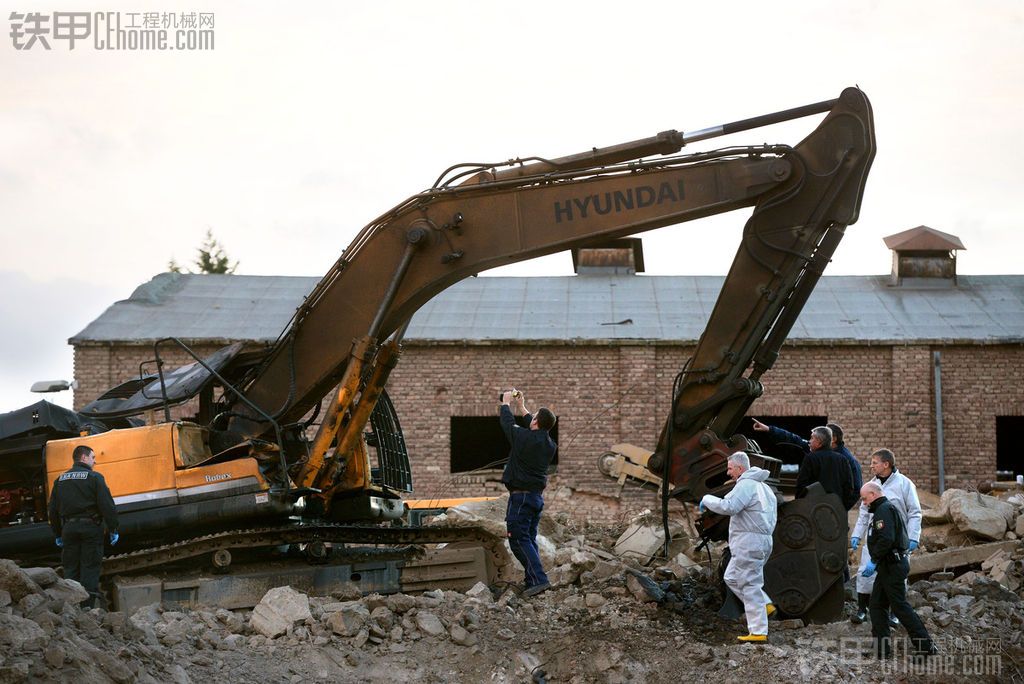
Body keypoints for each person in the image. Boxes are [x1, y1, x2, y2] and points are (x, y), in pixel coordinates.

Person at [700, 451, 778, 642]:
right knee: (732, 576)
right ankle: (765, 604)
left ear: (740, 468)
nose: (728, 473)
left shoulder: (746, 484)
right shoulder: (764, 488)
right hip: (762, 541)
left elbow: (729, 506)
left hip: (749, 543)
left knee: (750, 584)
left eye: (730, 468)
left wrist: (707, 499)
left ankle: (758, 632)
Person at [859, 481, 936, 659]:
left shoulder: (883, 510)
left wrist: (874, 561)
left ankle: (926, 647)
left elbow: (886, 539)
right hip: (887, 566)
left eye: (864, 499)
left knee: (900, 606)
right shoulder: (882, 509)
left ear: (873, 495)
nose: (863, 503)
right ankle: (882, 650)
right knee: (877, 606)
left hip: (892, 566)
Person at [850, 448, 922, 625]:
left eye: (875, 463)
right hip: (874, 538)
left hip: (897, 540)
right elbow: (864, 514)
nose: (871, 466)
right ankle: (861, 609)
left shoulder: (905, 485)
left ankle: (893, 613)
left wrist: (913, 537)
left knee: (895, 577)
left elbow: (915, 512)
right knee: (865, 573)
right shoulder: (871, 486)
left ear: (886, 464)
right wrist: (857, 535)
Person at [499, 388, 557, 598]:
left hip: (521, 498)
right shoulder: (549, 444)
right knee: (529, 539)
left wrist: (506, 404)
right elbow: (534, 430)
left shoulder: (525, 438)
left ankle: (540, 580)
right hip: (534, 498)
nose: (529, 418)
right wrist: (522, 407)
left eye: (532, 417)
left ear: (535, 423)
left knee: (517, 539)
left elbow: (507, 424)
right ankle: (532, 580)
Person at [47, 445, 120, 608]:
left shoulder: (59, 480)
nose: (95, 462)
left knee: (71, 568)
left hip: (69, 530)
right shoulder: (95, 478)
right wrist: (113, 528)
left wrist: (58, 533)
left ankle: (71, 609)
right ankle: (87, 608)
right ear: (84, 458)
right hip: (91, 529)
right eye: (93, 458)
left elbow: (52, 510)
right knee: (90, 568)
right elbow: (107, 506)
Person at [753, 421, 857, 510]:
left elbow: (802, 485)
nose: (809, 441)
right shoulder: (843, 459)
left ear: (822, 441)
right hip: (835, 512)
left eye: (812, 438)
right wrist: (840, 508)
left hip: (813, 510)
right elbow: (849, 487)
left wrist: (799, 505)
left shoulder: (812, 457)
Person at [826, 422, 863, 493]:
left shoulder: (845, 458)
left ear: (833, 439)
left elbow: (856, 487)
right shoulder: (829, 454)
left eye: (824, 436)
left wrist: (843, 503)